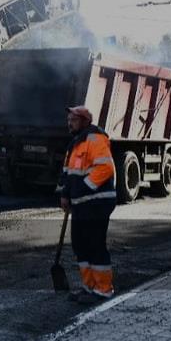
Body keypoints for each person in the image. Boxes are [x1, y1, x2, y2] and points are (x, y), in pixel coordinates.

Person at [60, 105, 117, 304]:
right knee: (80, 245)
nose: (69, 123)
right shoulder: (75, 143)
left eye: (74, 120)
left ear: (85, 121)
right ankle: (89, 286)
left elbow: (105, 168)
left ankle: (103, 290)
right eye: (69, 120)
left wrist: (81, 188)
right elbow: (67, 173)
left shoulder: (95, 139)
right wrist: (65, 194)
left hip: (97, 204)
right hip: (82, 205)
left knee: (95, 246)